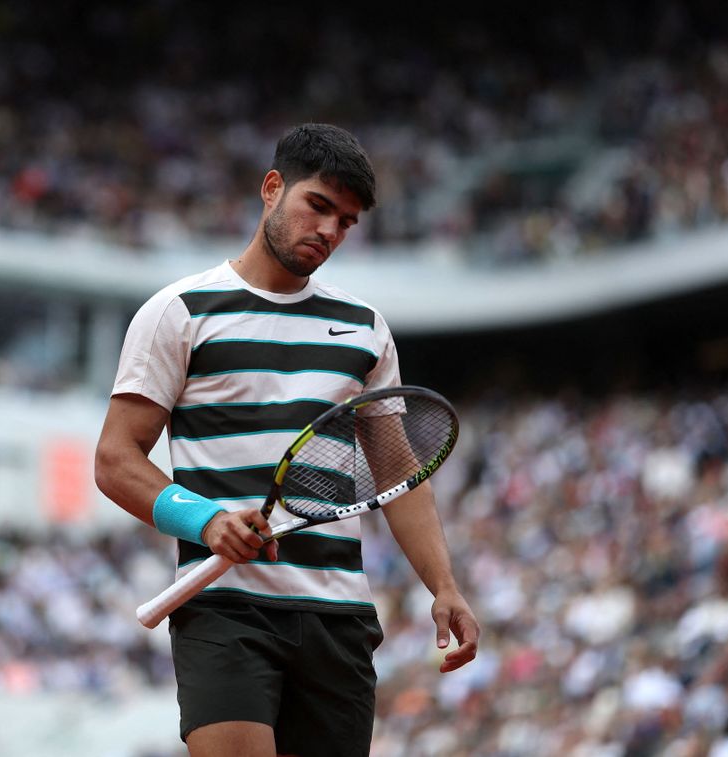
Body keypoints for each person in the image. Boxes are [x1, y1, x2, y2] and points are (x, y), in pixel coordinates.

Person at [95, 123, 480, 757]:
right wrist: (207, 521)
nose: (329, 231)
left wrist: (443, 585)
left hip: (338, 618)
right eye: (318, 206)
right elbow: (115, 461)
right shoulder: (179, 312)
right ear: (272, 188)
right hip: (225, 608)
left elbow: (397, 474)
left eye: (346, 222)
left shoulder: (365, 329)